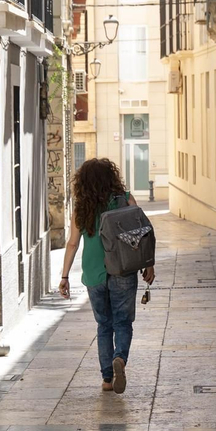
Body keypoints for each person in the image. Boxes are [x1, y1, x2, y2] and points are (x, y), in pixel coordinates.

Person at [59, 158, 156, 393]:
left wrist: (64, 276)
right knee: (122, 322)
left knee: (104, 325)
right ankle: (119, 358)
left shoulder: (82, 207)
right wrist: (149, 264)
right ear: (112, 177)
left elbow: (72, 244)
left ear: (83, 182)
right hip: (123, 268)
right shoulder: (125, 199)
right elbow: (143, 233)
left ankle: (106, 379)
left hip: (94, 273)